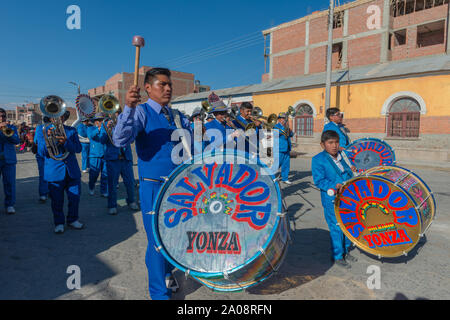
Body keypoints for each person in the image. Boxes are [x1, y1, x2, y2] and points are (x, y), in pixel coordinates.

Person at [113, 67, 192, 300]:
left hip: (180, 187)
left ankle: (167, 276)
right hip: (154, 186)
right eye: (162, 84)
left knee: (176, 237)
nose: (168, 88)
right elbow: (119, 139)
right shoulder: (141, 112)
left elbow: (192, 148)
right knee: (157, 241)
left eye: (170, 85)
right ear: (147, 88)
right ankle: (159, 294)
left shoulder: (176, 115)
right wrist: (128, 107)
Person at [311, 130, 357, 268]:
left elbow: (349, 173)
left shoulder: (343, 156)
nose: (334, 145)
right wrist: (333, 185)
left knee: (348, 224)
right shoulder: (318, 159)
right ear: (322, 144)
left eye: (336, 142)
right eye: (330, 142)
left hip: (348, 196)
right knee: (336, 226)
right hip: (332, 199)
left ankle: (346, 250)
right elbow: (319, 181)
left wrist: (353, 170)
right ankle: (338, 256)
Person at [36, 111, 84, 233]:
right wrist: (48, 138)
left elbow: (78, 149)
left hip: (72, 171)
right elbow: (42, 153)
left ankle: (73, 219)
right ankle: (59, 222)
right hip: (55, 172)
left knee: (75, 198)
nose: (58, 118)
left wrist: (66, 142)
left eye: (61, 115)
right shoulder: (43, 130)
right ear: (51, 117)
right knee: (57, 200)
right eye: (55, 115)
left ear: (64, 117)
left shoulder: (71, 130)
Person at [99, 117, 139, 215]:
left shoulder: (126, 124)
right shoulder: (105, 125)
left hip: (126, 159)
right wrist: (108, 129)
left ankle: (131, 201)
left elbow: (132, 140)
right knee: (112, 184)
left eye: (117, 114)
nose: (115, 116)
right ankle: (112, 205)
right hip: (113, 159)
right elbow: (102, 140)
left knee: (130, 182)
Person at [0, 108, 20, 214]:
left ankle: (10, 204)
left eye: (3, 116)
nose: (1, 118)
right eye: (0, 116)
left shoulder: (11, 127)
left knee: (10, 183)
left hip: (9, 159)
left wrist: (6, 130)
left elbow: (16, 140)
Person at [87, 113, 108, 197]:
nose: (101, 122)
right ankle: (91, 187)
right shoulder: (90, 128)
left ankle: (103, 191)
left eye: (102, 120)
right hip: (94, 155)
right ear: (95, 122)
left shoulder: (105, 129)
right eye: (99, 120)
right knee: (94, 174)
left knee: (105, 174)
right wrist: (98, 129)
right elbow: (91, 136)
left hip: (105, 154)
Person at [273, 113, 294, 185]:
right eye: (281, 118)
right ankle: (272, 177)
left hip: (287, 148)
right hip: (279, 148)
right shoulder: (276, 126)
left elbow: (291, 135)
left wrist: (290, 130)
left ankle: (285, 178)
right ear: (279, 119)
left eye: (284, 118)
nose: (283, 120)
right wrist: (284, 128)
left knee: (286, 165)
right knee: (277, 164)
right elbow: (276, 134)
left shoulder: (286, 126)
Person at [33, 116, 50, 202]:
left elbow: (35, 141)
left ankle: (43, 194)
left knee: (42, 174)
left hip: (40, 154)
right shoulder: (53, 127)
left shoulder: (39, 128)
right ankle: (50, 191)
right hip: (51, 154)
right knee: (51, 173)